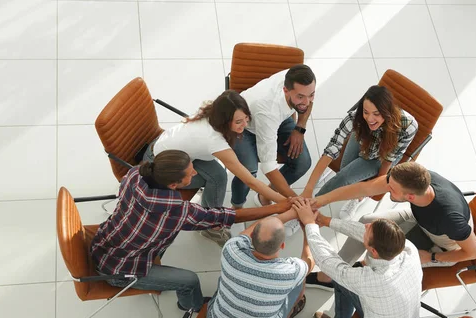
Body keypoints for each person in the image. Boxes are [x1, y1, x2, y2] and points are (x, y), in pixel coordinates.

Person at [90, 150, 290, 311]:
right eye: (191, 173)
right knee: (190, 280)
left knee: (168, 233)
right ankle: (191, 307)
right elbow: (227, 216)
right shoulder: (176, 211)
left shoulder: (135, 174)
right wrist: (276, 208)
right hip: (119, 271)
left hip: (104, 242)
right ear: (173, 184)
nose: (195, 173)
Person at [286, 200, 422, 318]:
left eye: (368, 229)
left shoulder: (374, 280)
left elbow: (327, 261)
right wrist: (325, 220)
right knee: (342, 280)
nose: (365, 225)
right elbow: (364, 234)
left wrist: (309, 225)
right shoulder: (408, 249)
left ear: (373, 251)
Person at [143, 90, 286, 246]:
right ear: (224, 121)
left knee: (218, 175)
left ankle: (210, 216)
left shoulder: (214, 110)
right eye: (238, 122)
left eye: (246, 118)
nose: (245, 125)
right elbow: (250, 181)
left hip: (173, 149)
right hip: (163, 164)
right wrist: (284, 201)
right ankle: (211, 226)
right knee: (218, 179)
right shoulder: (213, 140)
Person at [308, 161, 476, 290]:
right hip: (419, 218)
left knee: (380, 256)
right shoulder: (416, 177)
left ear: (410, 197)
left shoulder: (450, 219)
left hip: (442, 245)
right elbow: (365, 188)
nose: (386, 188)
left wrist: (431, 258)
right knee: (367, 221)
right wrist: (319, 201)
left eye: (391, 189)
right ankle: (329, 277)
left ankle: (359, 271)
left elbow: (474, 252)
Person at [206, 202, 314, 318]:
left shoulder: (231, 249)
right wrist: (309, 227)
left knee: (226, 276)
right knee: (300, 281)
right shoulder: (290, 272)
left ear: (252, 238)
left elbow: (249, 231)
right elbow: (309, 261)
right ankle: (293, 308)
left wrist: (289, 214)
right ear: (282, 246)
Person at [302, 85, 417, 220]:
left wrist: (373, 185)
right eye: (366, 112)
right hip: (364, 140)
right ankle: (351, 191)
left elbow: (389, 159)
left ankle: (309, 208)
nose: (369, 118)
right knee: (345, 173)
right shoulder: (356, 117)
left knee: (343, 178)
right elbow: (331, 148)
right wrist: (308, 188)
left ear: (387, 112)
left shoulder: (408, 126)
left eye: (376, 114)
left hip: (380, 157)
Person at [231, 64, 315, 212]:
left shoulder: (303, 82)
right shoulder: (268, 112)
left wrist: (299, 128)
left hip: (280, 119)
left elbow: (306, 105)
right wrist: (297, 202)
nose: (307, 102)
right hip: (245, 127)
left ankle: (265, 195)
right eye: (300, 97)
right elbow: (268, 167)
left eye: (311, 95)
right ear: (285, 90)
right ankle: (236, 208)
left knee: (303, 162)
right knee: (248, 171)